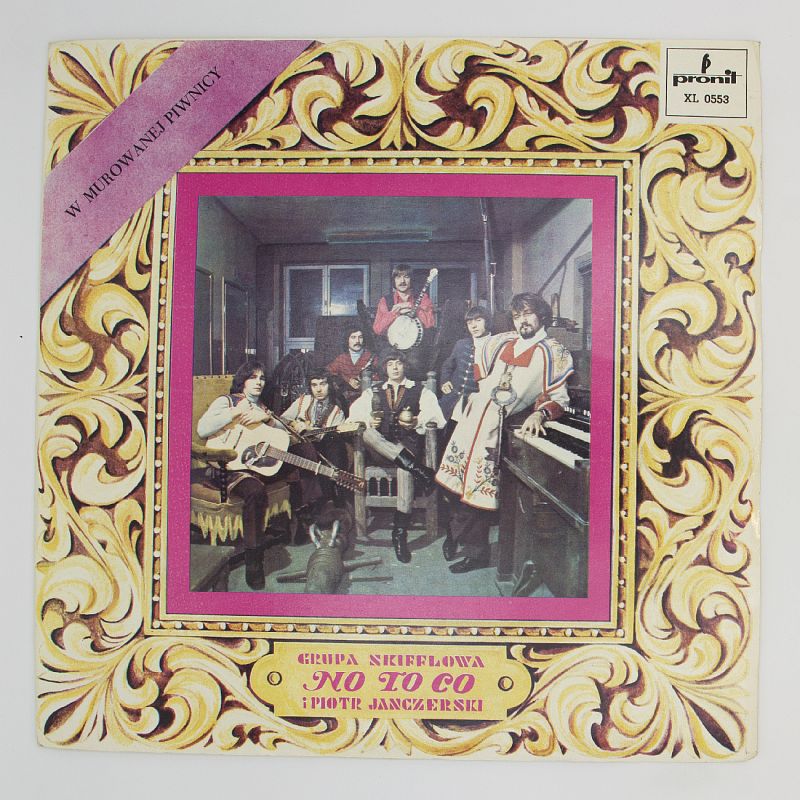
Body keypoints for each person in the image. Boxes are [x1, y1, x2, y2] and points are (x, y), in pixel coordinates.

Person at [436, 293, 574, 573]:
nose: (522, 321)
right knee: (451, 484)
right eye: (517, 316)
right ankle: (455, 538)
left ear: (541, 315)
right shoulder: (504, 343)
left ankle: (476, 553)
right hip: (471, 421)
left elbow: (559, 397)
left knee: (477, 491)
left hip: (497, 429)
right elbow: (480, 371)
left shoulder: (553, 351)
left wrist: (539, 413)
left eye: (528, 314)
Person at [197, 360, 323, 589]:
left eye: (262, 378)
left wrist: (266, 418)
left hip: (256, 463)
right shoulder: (227, 401)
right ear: (242, 381)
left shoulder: (263, 408)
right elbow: (203, 429)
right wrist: (236, 412)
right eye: (253, 377)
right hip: (227, 466)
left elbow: (282, 435)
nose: (258, 382)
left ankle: (303, 517)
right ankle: (253, 559)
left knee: (304, 450)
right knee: (255, 491)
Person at [347, 350, 446, 563]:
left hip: (407, 446)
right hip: (380, 449)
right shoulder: (373, 391)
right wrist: (369, 420)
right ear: (385, 367)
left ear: (404, 366)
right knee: (365, 432)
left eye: (398, 363)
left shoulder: (419, 390)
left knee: (404, 469)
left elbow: (436, 417)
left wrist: (417, 421)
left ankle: (399, 534)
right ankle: (420, 470)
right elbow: (354, 416)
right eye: (390, 363)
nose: (394, 367)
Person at [281, 368, 347, 505]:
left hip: (322, 447)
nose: (318, 389)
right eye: (314, 385)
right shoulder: (302, 401)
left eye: (323, 384)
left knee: (334, 441)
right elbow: (283, 419)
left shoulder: (337, 411)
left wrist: (311, 430)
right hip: (297, 445)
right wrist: (295, 423)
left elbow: (335, 435)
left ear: (329, 385)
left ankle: (334, 496)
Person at [372, 264, 435, 380]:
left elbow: (429, 323)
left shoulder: (422, 298)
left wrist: (413, 308)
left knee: (414, 365)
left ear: (411, 279)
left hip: (415, 348)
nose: (402, 281)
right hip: (391, 346)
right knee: (383, 365)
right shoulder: (385, 300)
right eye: (398, 277)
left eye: (406, 277)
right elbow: (377, 329)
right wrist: (395, 313)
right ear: (394, 280)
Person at [438, 305, 492, 423]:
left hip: (476, 406)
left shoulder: (495, 345)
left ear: (487, 321)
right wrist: (445, 381)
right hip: (451, 400)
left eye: (478, 320)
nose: (473, 326)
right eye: (469, 322)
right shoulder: (461, 344)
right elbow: (447, 366)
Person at [325, 327, 375, 406]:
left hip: (366, 402)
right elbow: (327, 373)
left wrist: (363, 382)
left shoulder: (371, 357)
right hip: (344, 403)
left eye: (360, 337)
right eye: (353, 337)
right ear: (347, 340)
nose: (357, 341)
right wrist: (346, 381)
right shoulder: (341, 359)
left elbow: (378, 379)